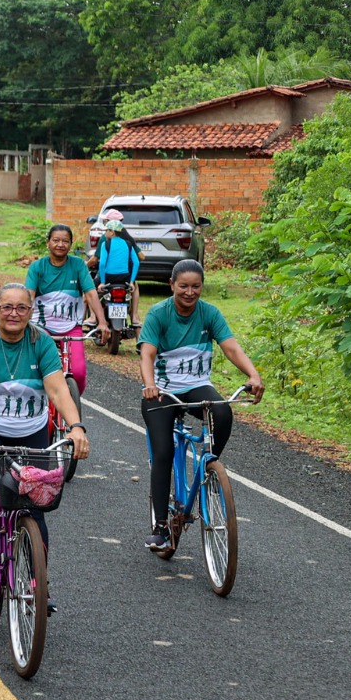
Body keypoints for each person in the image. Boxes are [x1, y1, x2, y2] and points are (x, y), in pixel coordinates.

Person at [0, 284, 90, 609]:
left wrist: (77, 426)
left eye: (21, 308)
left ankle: (39, 583)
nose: (14, 314)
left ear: (30, 311)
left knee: (35, 505)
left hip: (31, 432)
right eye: (7, 307)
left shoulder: (41, 343)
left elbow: (57, 390)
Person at [139, 260, 264, 553]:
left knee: (222, 411)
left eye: (196, 286)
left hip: (196, 387)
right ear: (172, 285)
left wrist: (253, 374)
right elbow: (147, 354)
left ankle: (208, 466)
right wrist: (149, 384)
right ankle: (160, 528)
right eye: (183, 286)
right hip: (163, 392)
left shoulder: (209, 313)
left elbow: (230, 347)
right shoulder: (159, 314)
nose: (190, 292)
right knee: (163, 453)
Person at [25, 224, 107, 393]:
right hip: (42, 327)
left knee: (78, 372)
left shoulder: (78, 265)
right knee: (41, 369)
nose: (60, 244)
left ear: (71, 244)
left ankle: (71, 405)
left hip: (71, 328)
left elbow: (91, 294)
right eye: (56, 240)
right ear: (48, 243)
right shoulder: (37, 267)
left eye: (65, 241)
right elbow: (28, 297)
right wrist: (22, 322)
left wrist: (103, 322)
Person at [95, 214, 142, 326]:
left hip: (109, 278)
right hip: (124, 278)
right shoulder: (128, 244)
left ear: (112, 232)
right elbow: (136, 262)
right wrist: (131, 281)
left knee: (92, 291)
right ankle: (134, 316)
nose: (105, 232)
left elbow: (102, 263)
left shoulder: (105, 244)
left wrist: (102, 282)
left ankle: (92, 316)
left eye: (107, 230)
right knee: (135, 289)